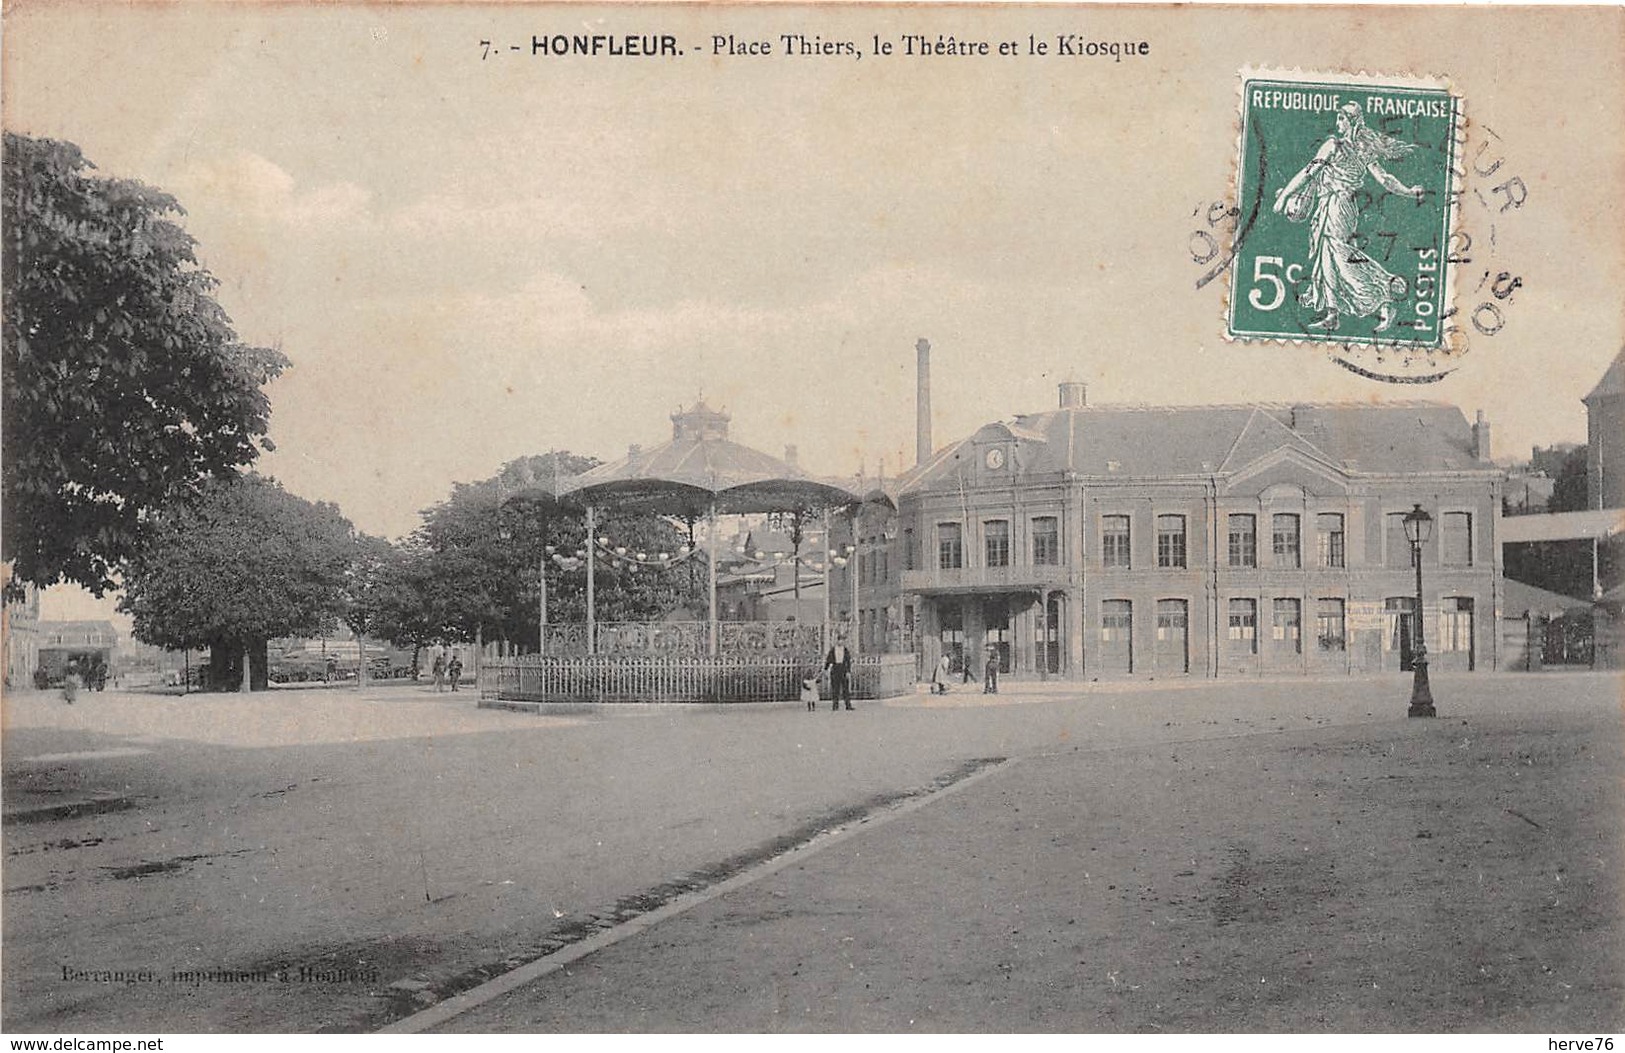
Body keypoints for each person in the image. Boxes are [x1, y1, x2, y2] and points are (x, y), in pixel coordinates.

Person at [1271, 101, 1426, 334]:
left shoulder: (1333, 145)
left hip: (1337, 205)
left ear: (1352, 121)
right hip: (1339, 206)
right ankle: (1332, 314)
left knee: (1339, 255)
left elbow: (1307, 173)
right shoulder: (1364, 150)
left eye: (1341, 119)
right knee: (1329, 257)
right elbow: (1385, 179)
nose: (1337, 123)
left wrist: (1284, 197)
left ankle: (1385, 291)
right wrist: (1408, 191)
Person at [823, 636, 854, 711]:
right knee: (835, 689)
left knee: (845, 689)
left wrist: (848, 671)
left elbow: (848, 661)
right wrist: (825, 669)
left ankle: (848, 705)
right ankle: (835, 705)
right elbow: (828, 660)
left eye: (842, 641)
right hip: (835, 668)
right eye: (840, 640)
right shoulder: (833, 650)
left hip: (843, 669)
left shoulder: (845, 650)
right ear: (837, 641)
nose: (841, 642)